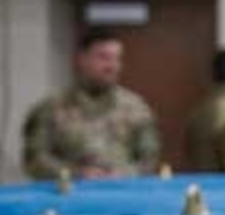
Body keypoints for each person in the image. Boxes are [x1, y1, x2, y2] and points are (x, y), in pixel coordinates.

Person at [21, 29, 161, 180]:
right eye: (104, 57)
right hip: (69, 190)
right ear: (82, 59)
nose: (112, 66)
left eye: (117, 59)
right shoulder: (50, 109)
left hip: (122, 189)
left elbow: (150, 158)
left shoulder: (137, 108)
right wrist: (76, 173)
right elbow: (34, 159)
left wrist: (124, 174)